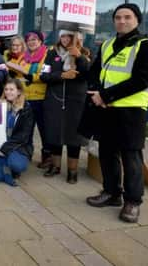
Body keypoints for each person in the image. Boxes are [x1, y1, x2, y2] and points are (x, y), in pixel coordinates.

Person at [85, 3, 148, 223]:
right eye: (118, 17)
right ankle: (111, 193)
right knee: (107, 153)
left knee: (131, 157)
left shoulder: (147, 46)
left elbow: (141, 80)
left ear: (137, 19)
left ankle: (133, 202)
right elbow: (95, 71)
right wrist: (96, 92)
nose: (122, 21)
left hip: (131, 111)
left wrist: (105, 96)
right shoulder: (107, 44)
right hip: (106, 109)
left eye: (127, 17)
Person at [40, 30, 91, 182]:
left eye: (69, 36)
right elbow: (44, 75)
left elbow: (88, 73)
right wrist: (61, 75)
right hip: (55, 99)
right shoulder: (52, 53)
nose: (65, 39)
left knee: (73, 135)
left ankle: (72, 171)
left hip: (75, 100)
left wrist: (79, 57)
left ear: (76, 38)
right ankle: (55, 166)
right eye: (62, 36)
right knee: (55, 131)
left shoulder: (86, 54)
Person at [0, 78, 34, 186]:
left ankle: (12, 165)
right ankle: (6, 174)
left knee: (17, 164)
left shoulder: (26, 109)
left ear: (19, 92)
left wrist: (4, 149)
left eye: (12, 89)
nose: (8, 92)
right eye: (6, 89)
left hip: (17, 146)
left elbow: (24, 136)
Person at [22, 31, 50, 169]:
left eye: (35, 39)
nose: (31, 42)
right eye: (29, 39)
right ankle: (26, 154)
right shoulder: (25, 56)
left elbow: (46, 74)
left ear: (40, 41)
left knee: (44, 130)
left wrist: (32, 77)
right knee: (27, 129)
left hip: (41, 98)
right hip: (26, 98)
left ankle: (47, 157)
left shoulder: (47, 55)